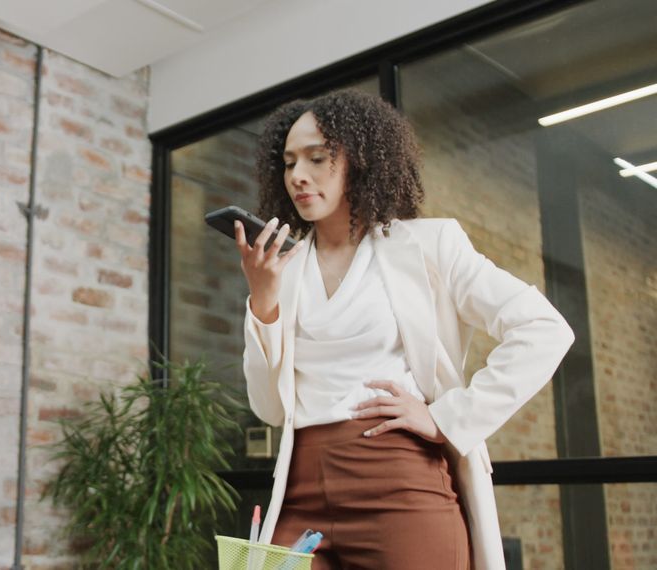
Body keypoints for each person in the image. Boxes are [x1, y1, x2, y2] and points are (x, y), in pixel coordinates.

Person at [233, 89, 574, 570]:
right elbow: (268, 408)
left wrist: (446, 418)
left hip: (399, 479)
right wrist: (262, 301)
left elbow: (544, 328)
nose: (298, 176)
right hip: (300, 487)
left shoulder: (430, 245)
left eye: (317, 158)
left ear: (362, 160)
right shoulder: (280, 271)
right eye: (289, 163)